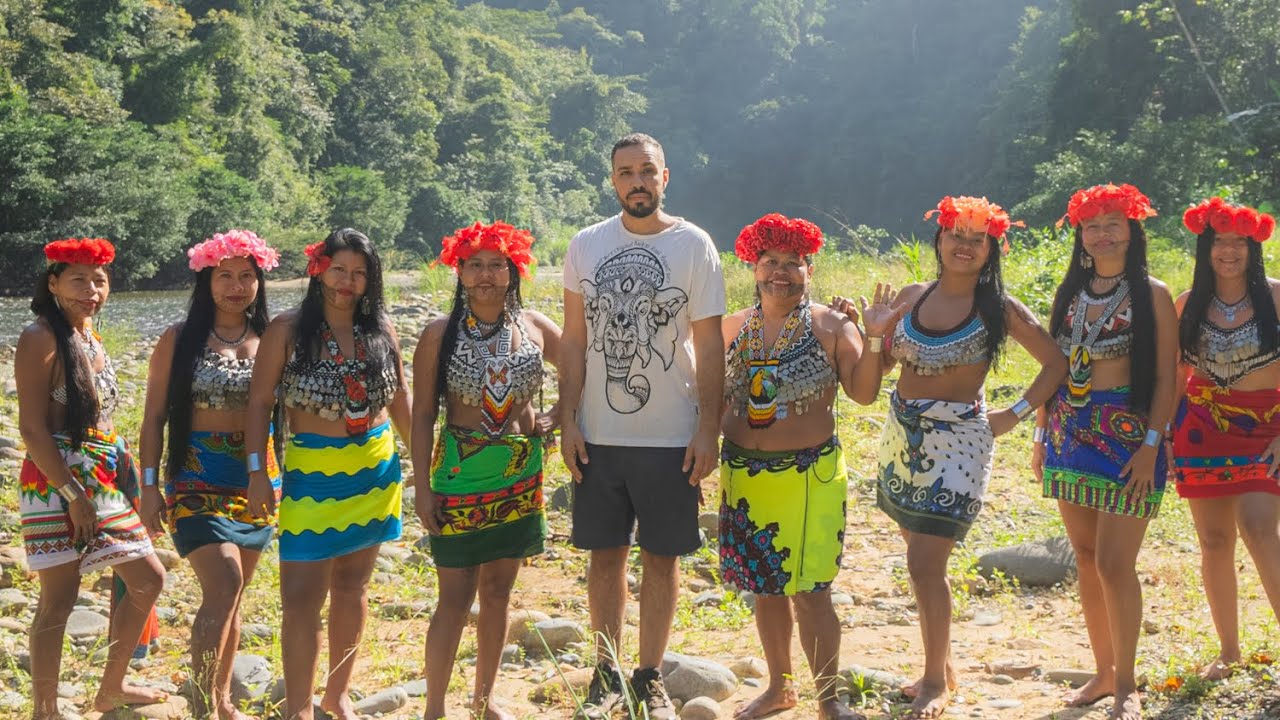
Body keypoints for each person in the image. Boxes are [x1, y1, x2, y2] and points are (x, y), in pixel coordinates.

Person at [852, 197, 1067, 720]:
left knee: (925, 565)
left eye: (977, 238)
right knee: (919, 557)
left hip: (961, 444)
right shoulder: (909, 296)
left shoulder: (1000, 307)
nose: (964, 245)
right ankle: (941, 667)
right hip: (902, 436)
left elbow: (1056, 364)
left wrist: (1010, 416)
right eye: (955, 234)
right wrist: (876, 333)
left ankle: (933, 683)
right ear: (939, 240)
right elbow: (876, 374)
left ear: (991, 247)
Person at [559, 132, 726, 719]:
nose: (637, 181)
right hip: (599, 436)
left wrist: (709, 429)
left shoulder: (694, 246)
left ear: (665, 177)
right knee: (603, 557)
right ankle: (605, 671)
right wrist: (568, 418)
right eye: (625, 172)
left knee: (663, 557)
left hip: (670, 438)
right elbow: (575, 339)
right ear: (612, 181)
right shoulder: (585, 245)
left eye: (646, 171)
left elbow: (708, 344)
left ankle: (649, 673)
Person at [245, 229, 411, 720]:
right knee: (299, 596)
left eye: (359, 273)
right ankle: (298, 708)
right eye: (339, 269)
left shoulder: (381, 327)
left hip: (374, 472)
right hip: (312, 472)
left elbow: (402, 401)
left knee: (353, 586)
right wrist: (258, 472)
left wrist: (426, 461)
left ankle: (337, 697)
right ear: (319, 269)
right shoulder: (288, 329)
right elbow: (258, 404)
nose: (348, 282)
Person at [1033, 184, 1178, 720]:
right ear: (1081, 235)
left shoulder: (1154, 293)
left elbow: (1168, 377)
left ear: (1132, 229)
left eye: (1113, 223)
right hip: (1070, 433)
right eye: (1091, 225)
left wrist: (1150, 445)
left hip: (1128, 437)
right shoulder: (1071, 292)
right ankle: (1102, 672)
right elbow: (1054, 367)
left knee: (1117, 563)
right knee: (1089, 560)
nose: (1102, 233)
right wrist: (1041, 435)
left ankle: (1127, 683)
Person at [411, 221, 562, 720]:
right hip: (459, 474)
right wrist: (423, 489)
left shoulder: (535, 326)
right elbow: (421, 416)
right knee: (454, 596)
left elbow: (581, 363)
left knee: (498, 592)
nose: (486, 275)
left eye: (497, 264)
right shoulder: (439, 334)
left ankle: (484, 700)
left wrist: (558, 414)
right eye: (474, 264)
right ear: (459, 271)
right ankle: (434, 708)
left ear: (513, 270)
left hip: (519, 474)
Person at [15, 238, 169, 718]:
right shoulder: (40, 336)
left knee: (146, 578)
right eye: (78, 279)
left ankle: (111, 688)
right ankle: (45, 709)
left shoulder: (89, 336)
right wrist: (71, 492)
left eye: (99, 280)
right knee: (59, 599)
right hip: (58, 476)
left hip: (100, 473)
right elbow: (32, 428)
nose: (91, 289)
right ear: (54, 283)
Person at [719, 213, 864, 720]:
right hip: (744, 475)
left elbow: (864, 392)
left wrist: (877, 337)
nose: (781, 272)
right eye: (770, 262)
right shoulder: (733, 326)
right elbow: (710, 400)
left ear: (810, 270)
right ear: (754, 268)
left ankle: (830, 700)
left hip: (809, 478)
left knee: (812, 593)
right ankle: (779, 687)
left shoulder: (832, 325)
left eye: (792, 263)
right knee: (766, 588)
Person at [138, 230, 282, 719]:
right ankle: (200, 706)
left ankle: (221, 701)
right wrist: (150, 485)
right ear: (206, 280)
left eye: (247, 276)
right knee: (223, 582)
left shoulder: (273, 339)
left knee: (235, 596)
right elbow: (153, 416)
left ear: (260, 282)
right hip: (194, 476)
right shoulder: (179, 339)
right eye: (225, 276)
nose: (236, 286)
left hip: (257, 479)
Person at [1171, 198, 1280, 680]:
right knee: (1214, 541)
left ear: (1254, 248)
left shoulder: (1277, 297)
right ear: (1205, 246)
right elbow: (1174, 376)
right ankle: (1229, 650)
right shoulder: (1186, 303)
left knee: (1260, 530)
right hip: (1202, 428)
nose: (1229, 251)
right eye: (1220, 241)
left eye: (1240, 242)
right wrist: (1166, 435)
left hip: (1268, 430)